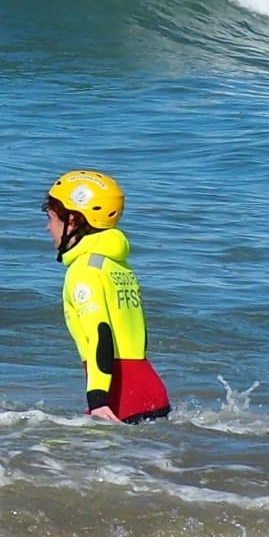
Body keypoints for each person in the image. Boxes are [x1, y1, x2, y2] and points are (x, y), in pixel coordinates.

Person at [44, 170, 170, 423]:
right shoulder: (118, 266)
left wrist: (98, 401)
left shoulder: (83, 271)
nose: (48, 228)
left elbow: (101, 334)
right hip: (152, 392)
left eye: (51, 219)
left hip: (120, 399)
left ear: (72, 222)